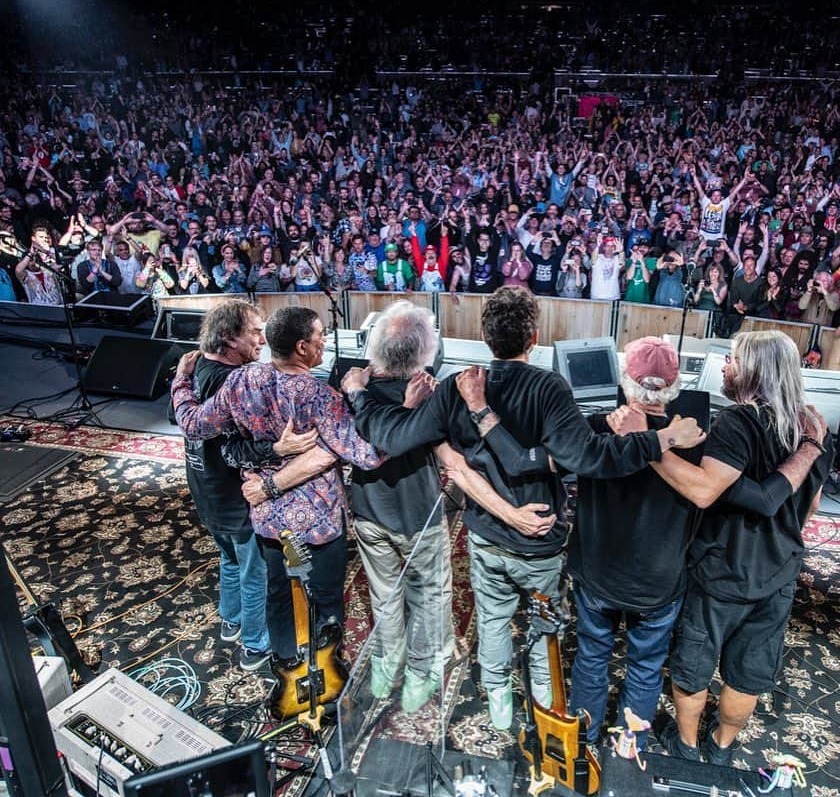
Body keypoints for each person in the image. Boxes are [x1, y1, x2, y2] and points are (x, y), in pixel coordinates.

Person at [341, 287, 704, 730]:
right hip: (540, 542)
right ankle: (544, 697)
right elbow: (587, 458)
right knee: (543, 625)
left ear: (483, 333)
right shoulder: (550, 387)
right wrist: (659, 439)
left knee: (492, 620)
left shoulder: (459, 384)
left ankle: (497, 699)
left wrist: (359, 395)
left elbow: (395, 437)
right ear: (534, 337)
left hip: (484, 533)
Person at [246, 301, 564, 713]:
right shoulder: (432, 395)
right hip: (419, 518)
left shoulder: (349, 387)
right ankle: (418, 673)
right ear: (426, 352)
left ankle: (384, 666)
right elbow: (454, 464)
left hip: (366, 512)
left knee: (384, 596)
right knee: (429, 597)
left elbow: (339, 448)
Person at [546, 336, 825, 752]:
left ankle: (584, 738)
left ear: (625, 380)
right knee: (644, 666)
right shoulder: (698, 442)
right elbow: (792, 502)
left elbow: (553, 461)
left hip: (596, 575)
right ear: (675, 388)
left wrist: (600, 426)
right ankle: (631, 745)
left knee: (590, 656)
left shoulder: (600, 430)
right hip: (659, 584)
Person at [171, 306, 386, 666]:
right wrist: (369, 398)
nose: (324, 343)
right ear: (303, 347)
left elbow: (194, 425)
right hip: (318, 522)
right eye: (320, 337)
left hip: (269, 519)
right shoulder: (319, 395)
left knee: (278, 595)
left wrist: (180, 380)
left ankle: (287, 669)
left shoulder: (241, 382)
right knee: (327, 600)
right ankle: (326, 678)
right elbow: (367, 455)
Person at [168, 301, 317, 671]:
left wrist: (178, 378)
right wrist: (276, 448)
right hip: (234, 499)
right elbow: (234, 448)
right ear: (228, 338)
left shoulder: (197, 367)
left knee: (230, 559)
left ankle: (231, 621)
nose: (261, 339)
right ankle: (254, 643)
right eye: (253, 331)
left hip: (207, 493)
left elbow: (177, 414)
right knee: (257, 573)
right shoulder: (233, 383)